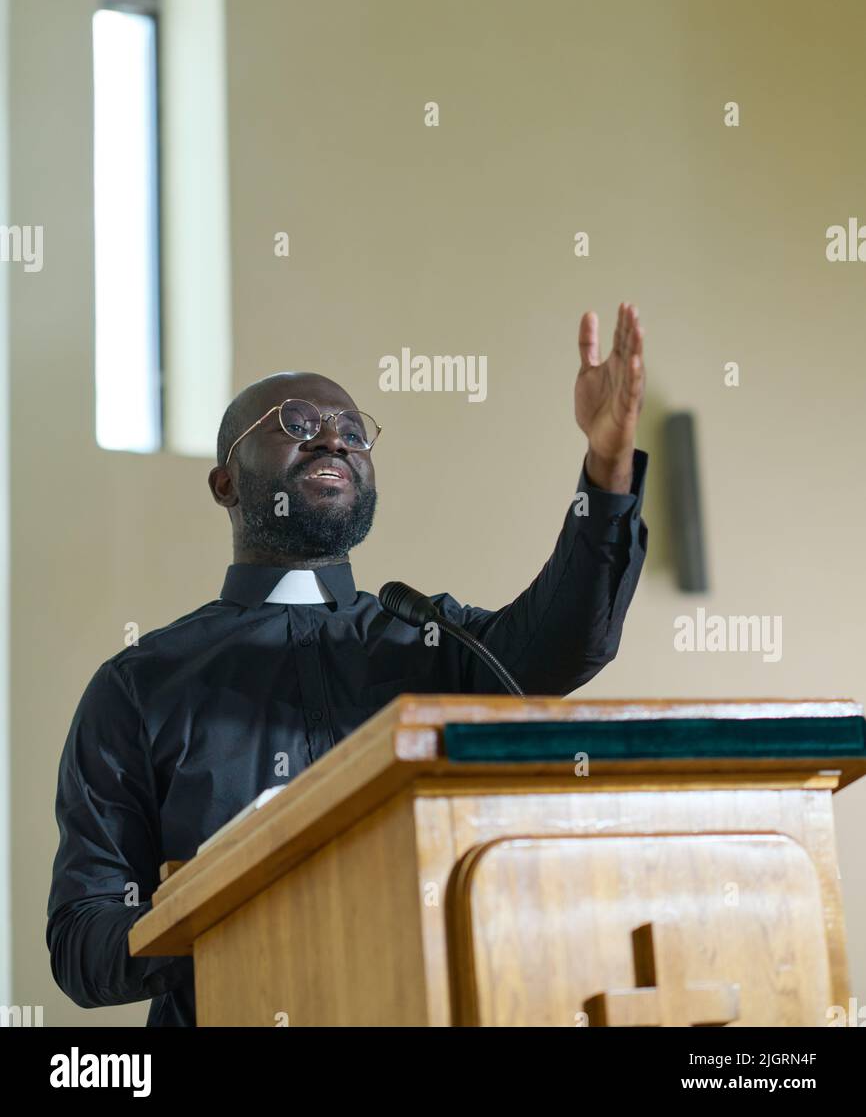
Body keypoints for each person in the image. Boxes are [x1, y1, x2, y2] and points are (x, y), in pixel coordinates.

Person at [47, 304, 649, 1026]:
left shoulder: (431, 638)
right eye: (297, 423)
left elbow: (565, 644)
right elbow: (83, 941)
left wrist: (607, 470)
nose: (332, 436)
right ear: (226, 483)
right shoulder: (140, 685)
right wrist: (220, 912)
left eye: (353, 430)